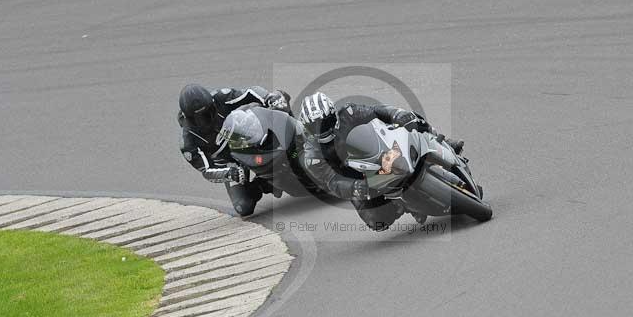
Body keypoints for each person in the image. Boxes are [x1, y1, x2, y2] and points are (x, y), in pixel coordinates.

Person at [298, 91, 463, 231]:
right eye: (315, 127)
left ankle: (444, 142)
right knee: (377, 222)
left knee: (412, 120)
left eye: (324, 122)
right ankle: (404, 205)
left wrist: (396, 114)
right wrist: (354, 188)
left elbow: (377, 111)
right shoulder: (313, 157)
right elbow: (331, 181)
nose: (322, 129)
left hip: (382, 152)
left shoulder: (349, 113)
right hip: (360, 179)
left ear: (333, 114)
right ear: (307, 129)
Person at [178, 83, 291, 216]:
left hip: (245, 136)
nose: (208, 118)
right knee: (243, 207)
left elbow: (249, 92)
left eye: (209, 111)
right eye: (200, 118)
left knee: (278, 103)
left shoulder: (219, 97)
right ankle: (265, 183)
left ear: (212, 104)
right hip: (230, 163)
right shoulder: (187, 141)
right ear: (189, 118)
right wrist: (228, 173)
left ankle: (300, 138)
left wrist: (268, 97)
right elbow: (206, 170)